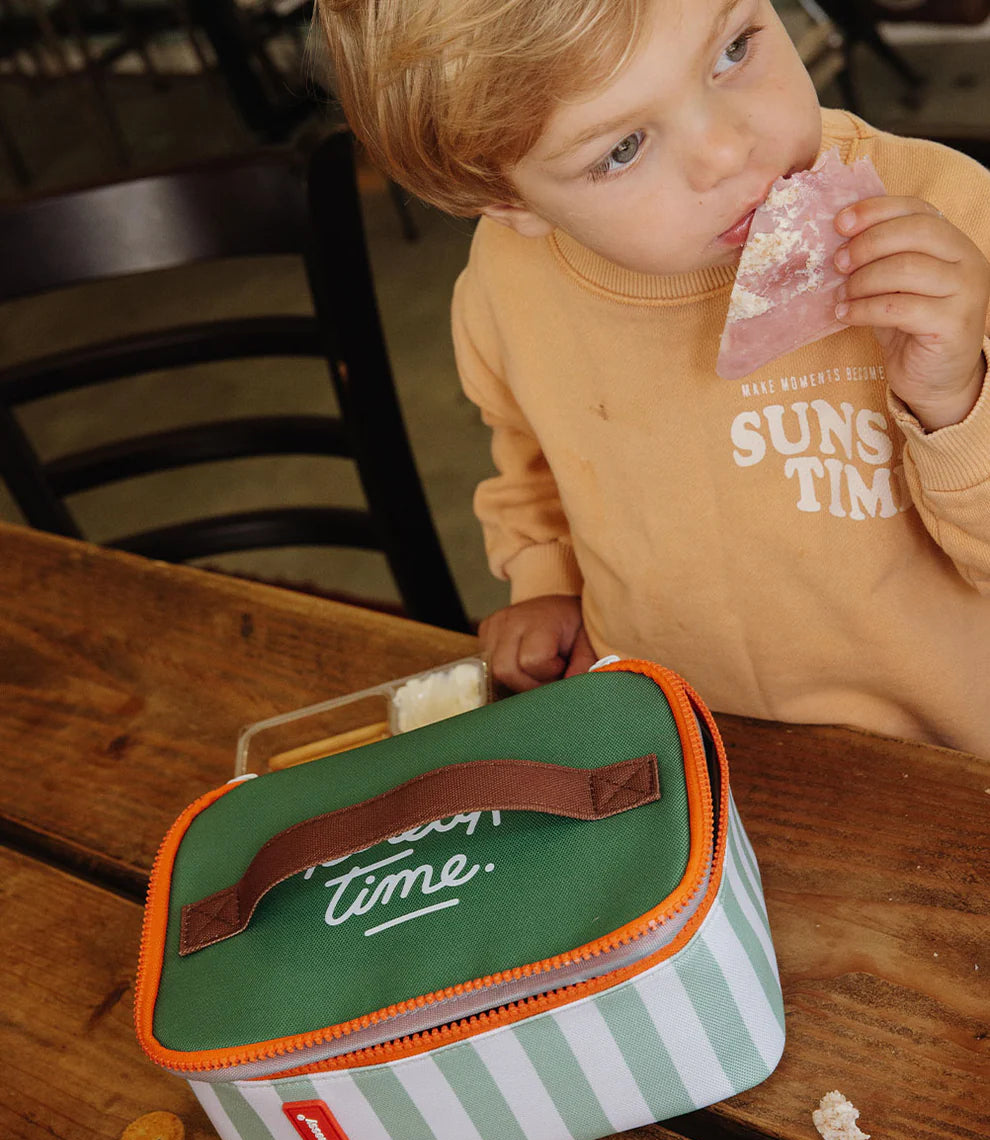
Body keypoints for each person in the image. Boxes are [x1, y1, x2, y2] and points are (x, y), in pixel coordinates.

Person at [316, 0, 990, 756]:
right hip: (665, 749)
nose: (729, 150)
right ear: (509, 201)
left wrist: (955, 396)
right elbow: (527, 445)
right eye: (624, 146)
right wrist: (545, 580)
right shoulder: (509, 284)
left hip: (934, 768)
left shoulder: (953, 228)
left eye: (734, 50)